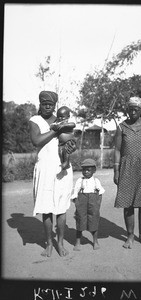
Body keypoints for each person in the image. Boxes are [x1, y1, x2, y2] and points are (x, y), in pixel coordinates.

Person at [29, 91, 76, 257]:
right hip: (45, 168)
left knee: (61, 208)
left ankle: (60, 243)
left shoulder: (62, 119)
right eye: (44, 104)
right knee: (46, 208)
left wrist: (71, 145)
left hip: (61, 168)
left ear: (55, 105)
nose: (47, 106)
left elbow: (70, 138)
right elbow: (37, 140)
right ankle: (49, 244)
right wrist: (56, 130)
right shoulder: (35, 121)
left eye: (50, 104)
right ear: (40, 104)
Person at [114, 96, 141, 249]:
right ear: (127, 110)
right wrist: (116, 170)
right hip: (126, 168)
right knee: (128, 204)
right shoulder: (121, 127)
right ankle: (130, 236)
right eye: (130, 109)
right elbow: (118, 150)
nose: (133, 111)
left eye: (136, 109)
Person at [71, 158, 105, 251]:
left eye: (88, 170)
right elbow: (76, 191)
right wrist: (76, 201)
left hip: (93, 202)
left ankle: (95, 241)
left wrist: (97, 203)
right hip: (81, 201)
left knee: (94, 220)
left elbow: (100, 192)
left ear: (94, 170)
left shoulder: (96, 181)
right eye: (84, 169)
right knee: (80, 220)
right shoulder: (79, 180)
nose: (86, 172)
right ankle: (77, 242)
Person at [50, 106, 76, 170]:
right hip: (61, 143)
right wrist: (54, 126)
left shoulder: (68, 124)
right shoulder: (57, 123)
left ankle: (67, 162)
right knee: (60, 152)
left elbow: (73, 124)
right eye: (58, 117)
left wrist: (63, 125)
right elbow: (52, 126)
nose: (60, 118)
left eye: (62, 117)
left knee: (66, 151)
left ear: (68, 117)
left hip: (69, 142)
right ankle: (64, 163)